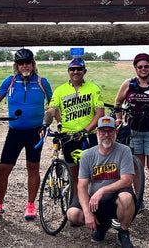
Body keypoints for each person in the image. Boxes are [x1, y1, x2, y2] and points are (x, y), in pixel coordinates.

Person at [0, 48, 52, 220]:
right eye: (21, 63)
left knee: (33, 168)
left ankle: (30, 205)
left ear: (33, 64)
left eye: (27, 62)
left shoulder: (42, 82)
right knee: (4, 169)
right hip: (14, 132)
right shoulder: (10, 81)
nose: (24, 66)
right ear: (16, 65)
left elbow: (53, 105)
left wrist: (57, 123)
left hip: (35, 132)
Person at [114, 53, 149, 217]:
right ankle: (139, 200)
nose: (143, 69)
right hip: (135, 131)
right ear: (135, 68)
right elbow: (118, 103)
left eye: (146, 66)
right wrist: (119, 120)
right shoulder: (128, 84)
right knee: (137, 169)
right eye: (140, 67)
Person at [66, 116, 135, 248]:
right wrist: (87, 212)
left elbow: (127, 180)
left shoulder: (124, 151)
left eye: (110, 131)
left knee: (126, 198)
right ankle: (102, 226)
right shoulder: (88, 155)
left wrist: (102, 190)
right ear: (97, 133)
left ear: (116, 132)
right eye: (103, 132)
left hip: (116, 197)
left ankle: (124, 231)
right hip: (95, 202)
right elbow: (82, 186)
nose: (106, 135)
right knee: (73, 214)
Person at [42, 57, 104, 194]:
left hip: (88, 136)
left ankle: (94, 205)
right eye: (72, 69)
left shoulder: (93, 89)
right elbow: (51, 109)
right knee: (74, 176)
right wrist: (45, 124)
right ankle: (76, 206)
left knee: (91, 175)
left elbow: (100, 113)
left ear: (85, 71)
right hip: (68, 137)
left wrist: (85, 130)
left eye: (79, 69)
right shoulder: (60, 90)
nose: (76, 71)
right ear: (68, 71)